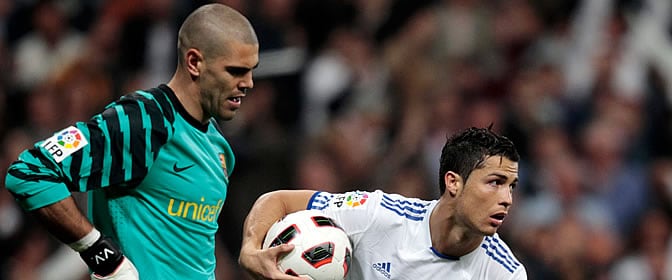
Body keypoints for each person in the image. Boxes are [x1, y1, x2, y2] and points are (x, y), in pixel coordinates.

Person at [4, 3, 259, 279]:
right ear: (194, 62)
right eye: (236, 71)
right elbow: (30, 170)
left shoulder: (218, 145)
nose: (249, 83)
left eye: (251, 70)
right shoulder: (139, 122)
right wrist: (99, 253)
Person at [239, 126, 528, 279]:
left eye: (511, 187)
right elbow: (278, 201)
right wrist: (251, 250)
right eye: (495, 183)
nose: (507, 199)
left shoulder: (503, 273)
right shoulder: (376, 215)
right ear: (453, 182)